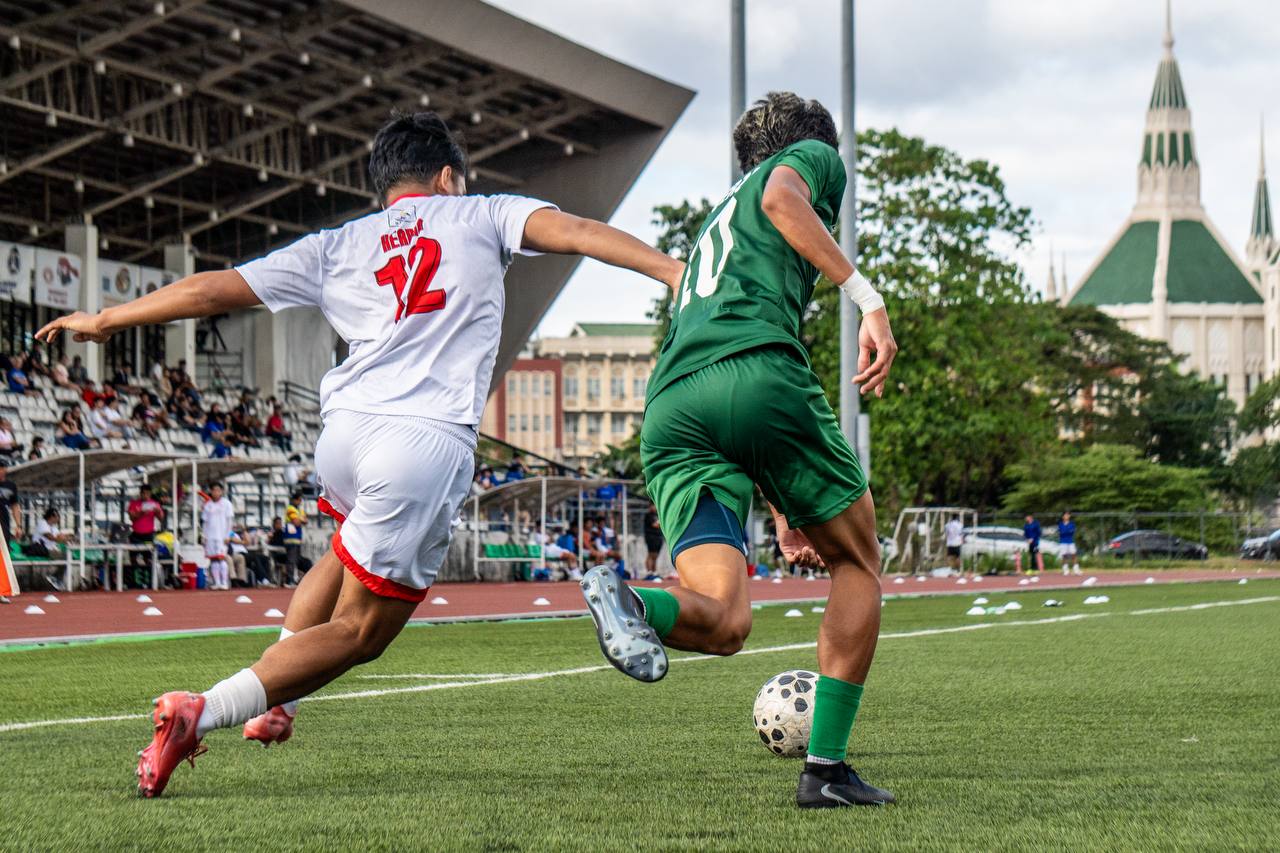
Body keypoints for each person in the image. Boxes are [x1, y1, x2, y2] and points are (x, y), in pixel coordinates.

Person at [41, 109, 681, 798]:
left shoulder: (338, 243)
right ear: (447, 177)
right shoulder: (484, 212)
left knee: (340, 552)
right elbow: (577, 232)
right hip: (423, 438)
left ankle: (277, 701)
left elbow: (216, 287)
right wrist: (673, 271)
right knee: (361, 632)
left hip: (345, 431)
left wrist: (107, 318)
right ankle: (205, 710)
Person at [577, 93, 898, 808]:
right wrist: (867, 298)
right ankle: (826, 772)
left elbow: (734, 413)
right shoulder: (808, 160)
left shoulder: (714, 227)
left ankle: (631, 599)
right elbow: (785, 196)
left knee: (725, 620)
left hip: (672, 413)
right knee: (858, 560)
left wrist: (785, 511)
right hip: (755, 372)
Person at [127, 485, 165, 588]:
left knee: (149, 558)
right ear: (140, 494)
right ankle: (134, 582)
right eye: (143, 493)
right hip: (136, 534)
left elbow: (161, 518)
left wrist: (158, 511)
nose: (145, 496)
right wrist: (141, 513)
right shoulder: (134, 503)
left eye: (148, 494)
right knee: (133, 558)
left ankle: (150, 581)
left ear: (150, 494)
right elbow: (131, 517)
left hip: (148, 534)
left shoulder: (154, 504)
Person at [201, 483, 235, 591]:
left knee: (221, 558)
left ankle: (224, 582)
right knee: (214, 559)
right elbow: (205, 523)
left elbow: (230, 521)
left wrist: (228, 535)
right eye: (214, 490)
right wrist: (204, 536)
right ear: (211, 491)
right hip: (210, 536)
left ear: (221, 491)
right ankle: (217, 582)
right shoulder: (208, 505)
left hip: (222, 536)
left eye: (218, 490)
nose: (216, 492)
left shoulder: (227, 504)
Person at [0, 465, 21, 545]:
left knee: (5, 547)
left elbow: (15, 506)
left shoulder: (11, 486)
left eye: (2, 468)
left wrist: (18, 526)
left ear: (5, 470)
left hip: (4, 522)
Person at [643, 504, 663, 580]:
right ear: (650, 506)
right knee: (651, 554)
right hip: (651, 537)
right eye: (653, 506)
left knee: (656, 556)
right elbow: (655, 525)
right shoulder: (648, 515)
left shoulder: (657, 515)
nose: (655, 507)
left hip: (658, 537)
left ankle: (654, 572)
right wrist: (662, 522)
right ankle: (649, 572)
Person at [1057, 511, 1081, 575]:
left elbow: (1072, 531)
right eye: (1065, 515)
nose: (1066, 516)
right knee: (1064, 556)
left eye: (1068, 515)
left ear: (1069, 516)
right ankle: (1065, 570)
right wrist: (1066, 531)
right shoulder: (1060, 524)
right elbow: (1061, 532)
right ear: (1063, 517)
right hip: (1063, 542)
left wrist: (1066, 531)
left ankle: (1076, 570)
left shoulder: (1072, 524)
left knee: (1074, 555)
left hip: (1070, 541)